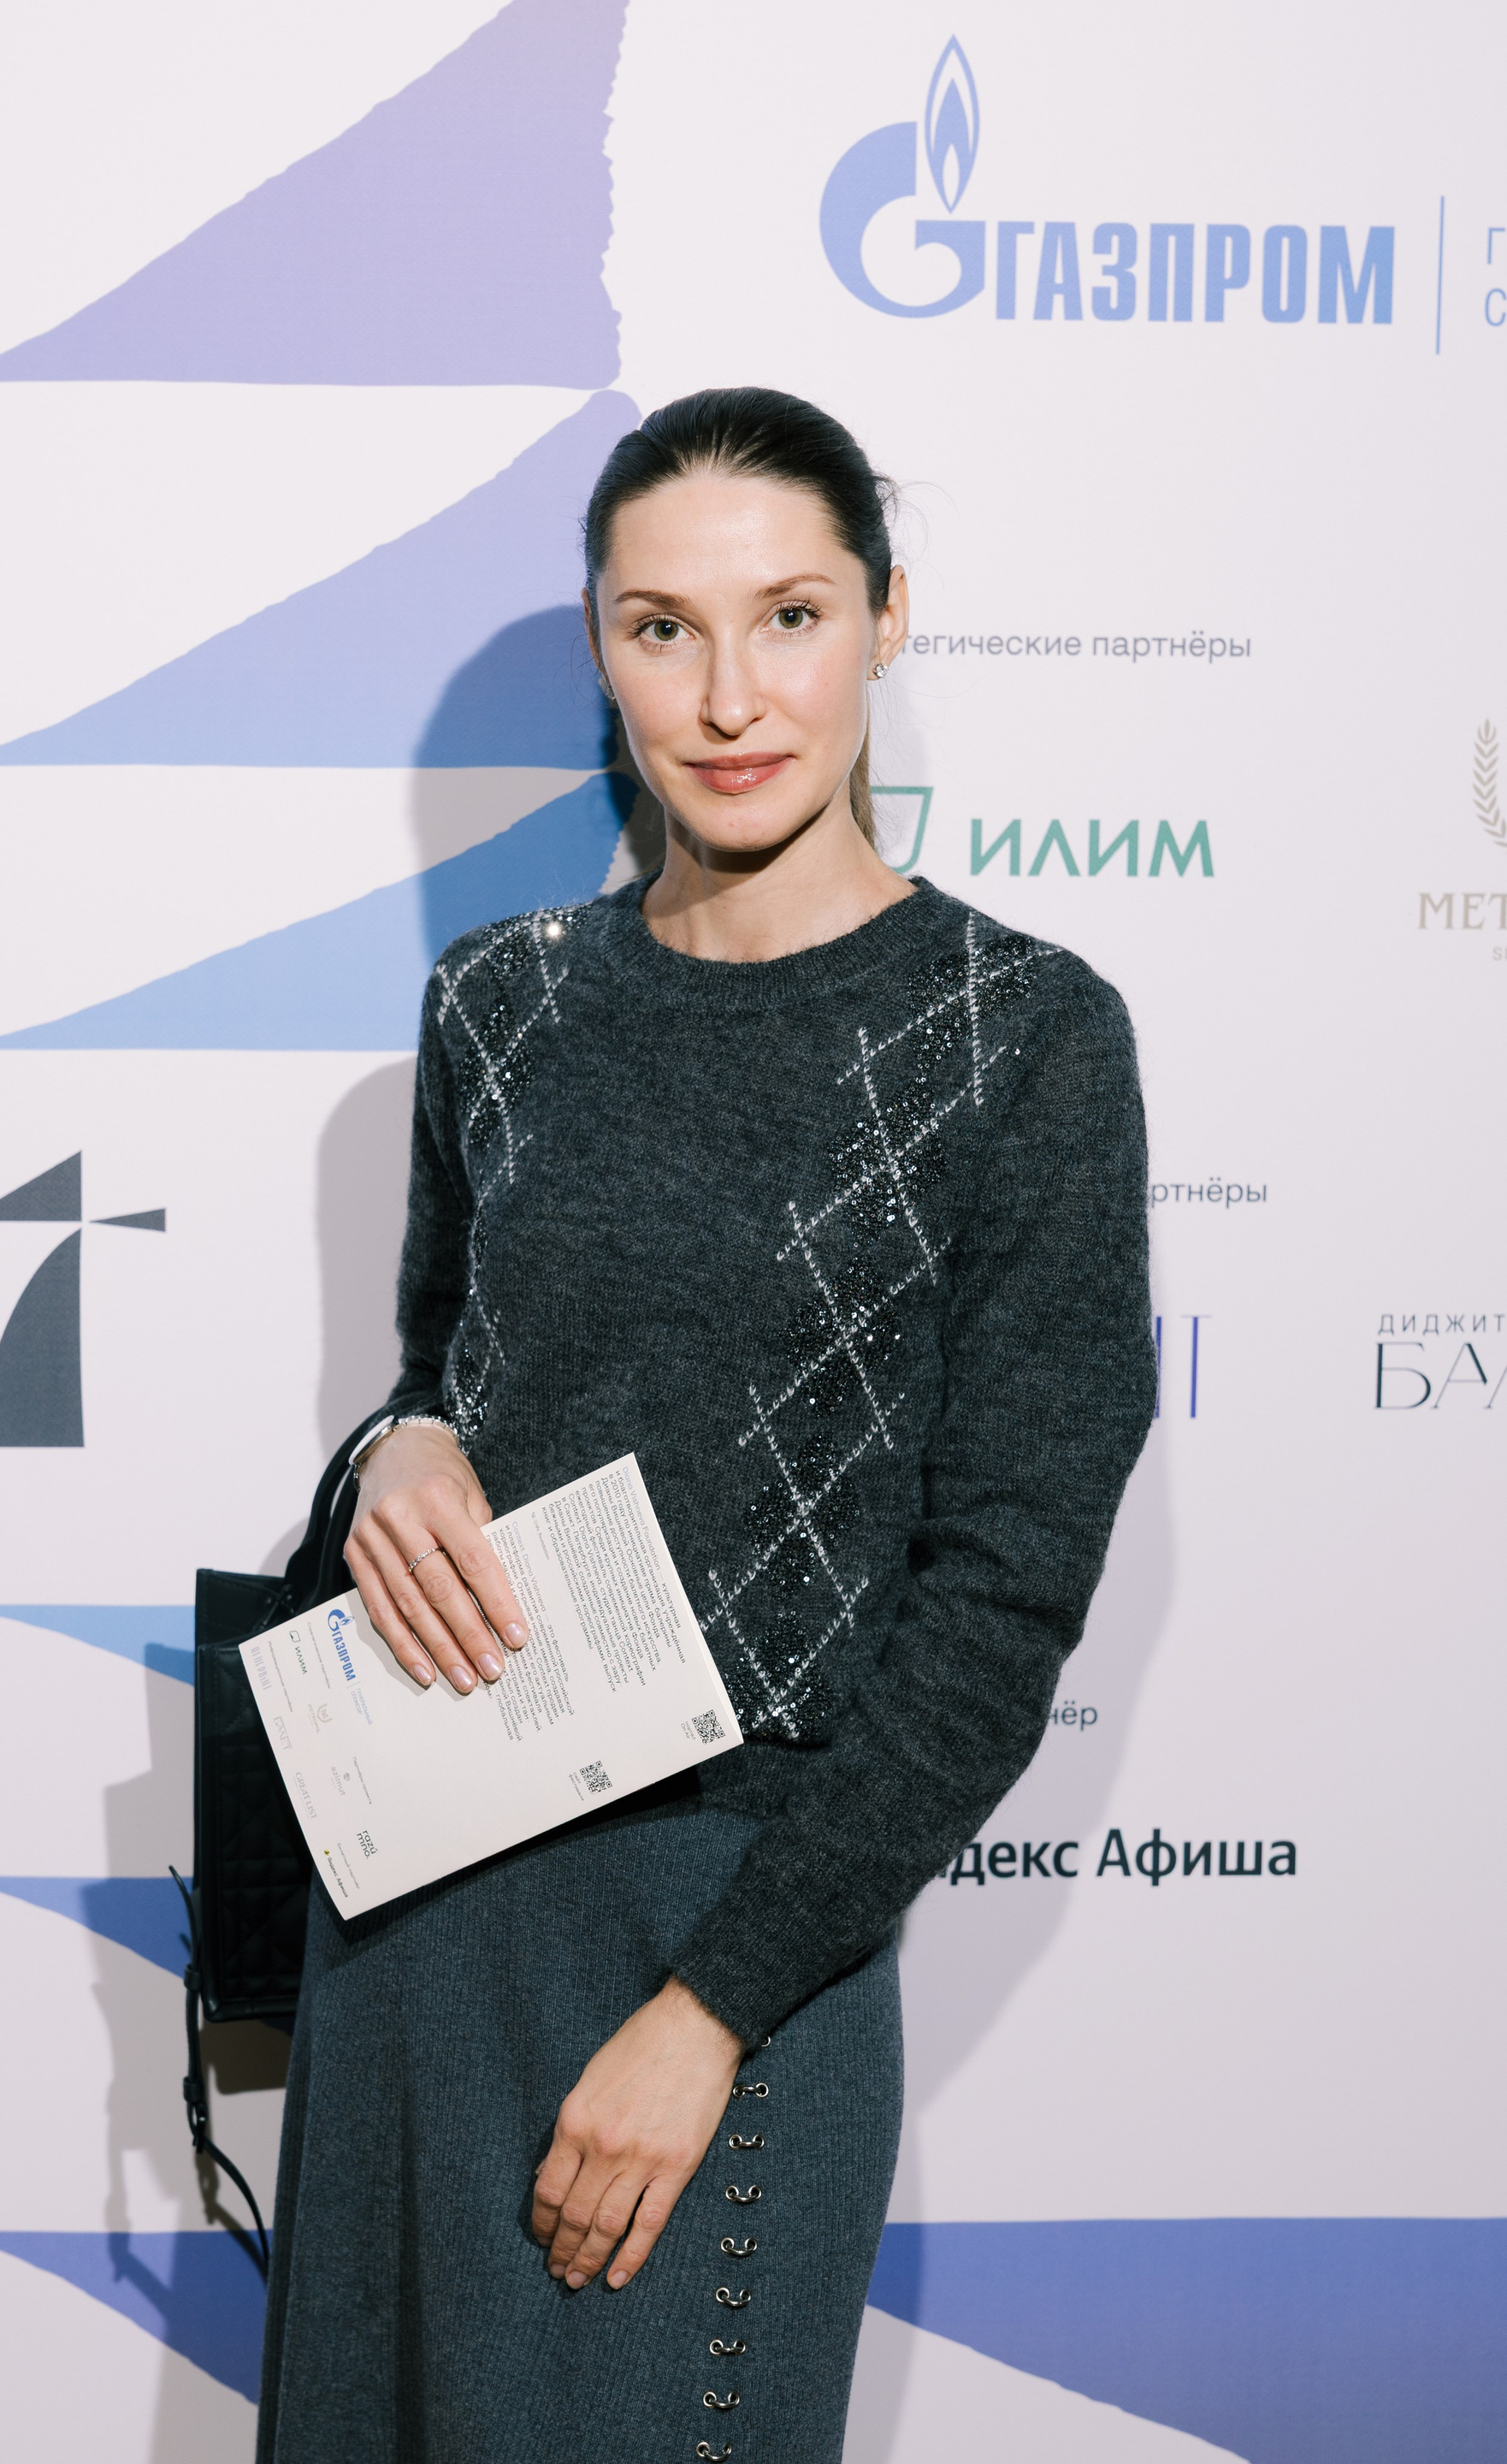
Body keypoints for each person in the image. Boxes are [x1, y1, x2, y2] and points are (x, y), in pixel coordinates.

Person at [256, 388, 1155, 2464]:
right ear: (603, 646)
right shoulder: (499, 1000)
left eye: (791, 617)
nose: (731, 696)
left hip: (736, 1944)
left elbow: (1003, 1600)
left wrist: (713, 2011)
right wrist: (393, 1451)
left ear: (887, 621)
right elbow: (446, 1380)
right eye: (664, 628)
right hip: (421, 1905)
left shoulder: (1026, 1040)